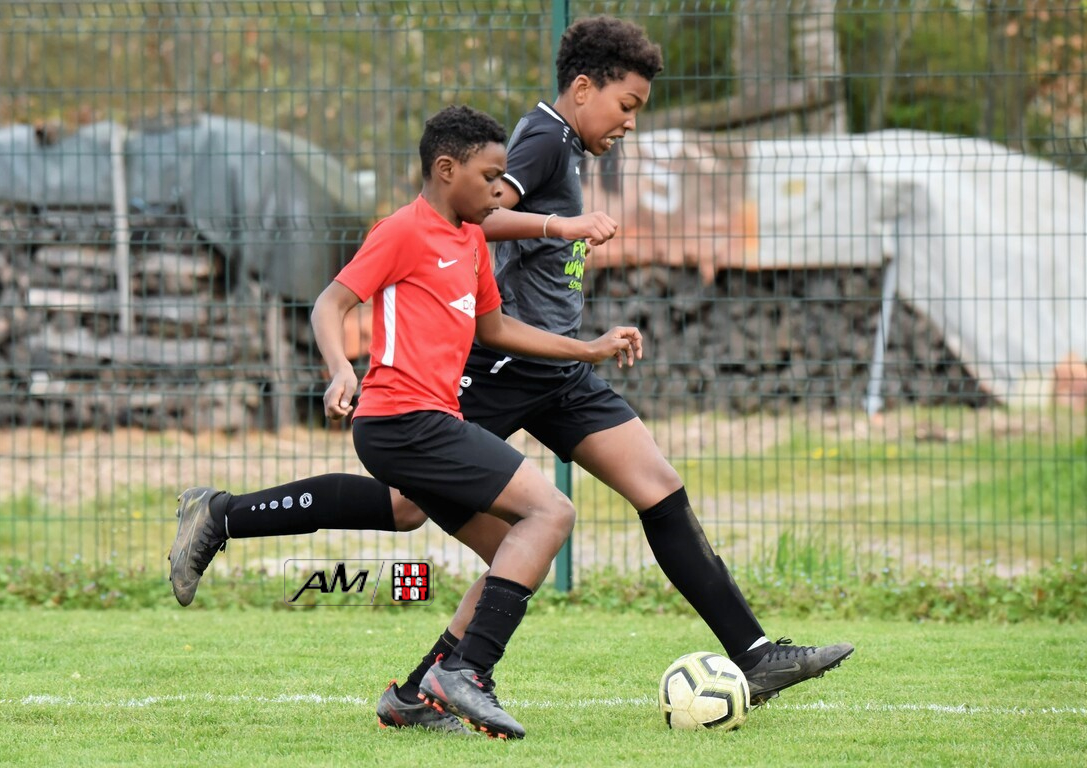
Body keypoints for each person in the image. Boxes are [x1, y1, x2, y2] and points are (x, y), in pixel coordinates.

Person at [169, 15, 852, 732]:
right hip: (498, 370)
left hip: (553, 367)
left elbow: (479, 236)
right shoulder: (541, 140)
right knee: (416, 507)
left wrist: (585, 347)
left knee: (656, 486)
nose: (629, 123)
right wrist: (563, 227)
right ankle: (229, 519)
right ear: (583, 89)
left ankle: (752, 654)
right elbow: (479, 220)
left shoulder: (567, 147)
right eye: (625, 105)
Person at [174, 103, 643, 739]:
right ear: (446, 170)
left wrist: (586, 350)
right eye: (489, 177)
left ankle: (415, 692)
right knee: (551, 512)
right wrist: (340, 370)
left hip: (428, 421)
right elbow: (329, 303)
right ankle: (468, 672)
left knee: (499, 547)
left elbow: (496, 329)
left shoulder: (470, 240)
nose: (499, 191)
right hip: (402, 419)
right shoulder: (401, 231)